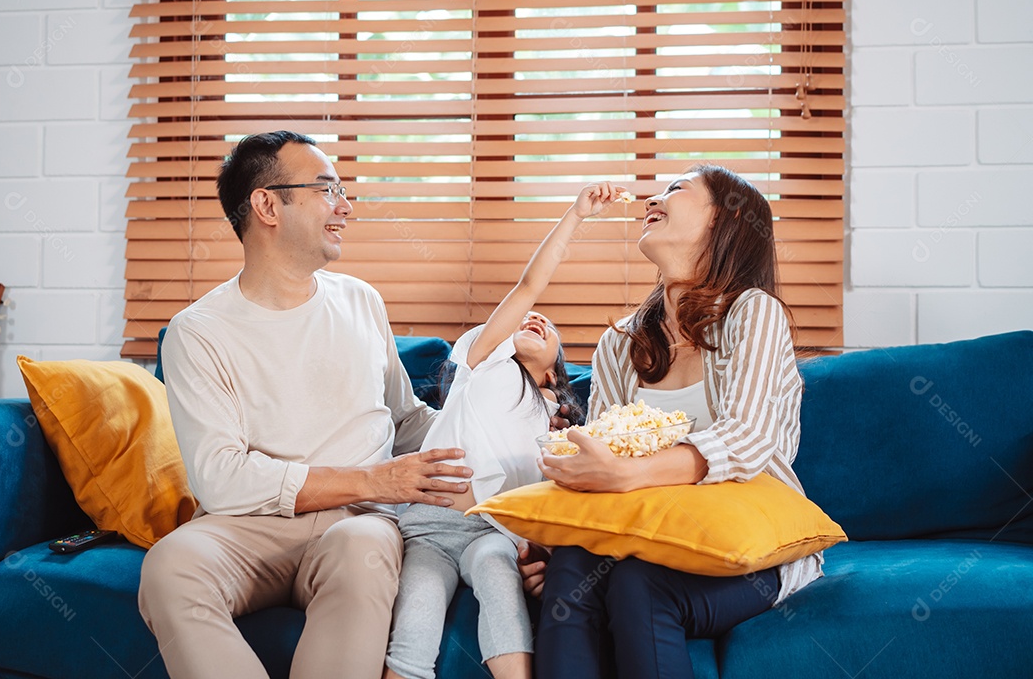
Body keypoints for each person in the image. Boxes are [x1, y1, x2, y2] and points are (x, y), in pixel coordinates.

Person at [137, 130, 475, 679]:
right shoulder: (198, 331)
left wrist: (504, 424)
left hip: (357, 524)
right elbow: (220, 479)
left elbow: (408, 420)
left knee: (363, 554)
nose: (345, 206)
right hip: (249, 527)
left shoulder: (361, 300)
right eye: (326, 189)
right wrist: (373, 481)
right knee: (171, 565)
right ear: (267, 204)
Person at [530, 165, 823, 679]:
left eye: (676, 189)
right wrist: (551, 536)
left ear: (722, 221)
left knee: (639, 585)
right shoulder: (620, 342)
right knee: (569, 570)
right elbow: (601, 456)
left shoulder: (753, 314)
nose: (652, 198)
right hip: (647, 532)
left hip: (748, 543)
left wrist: (627, 475)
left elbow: (748, 437)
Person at [384, 182, 622, 679]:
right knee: (417, 613)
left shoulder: (560, 424)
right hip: (429, 528)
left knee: (500, 583)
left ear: (557, 372)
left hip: (496, 530)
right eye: (528, 319)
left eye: (548, 327)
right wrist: (576, 216)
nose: (535, 318)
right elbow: (528, 288)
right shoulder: (484, 367)